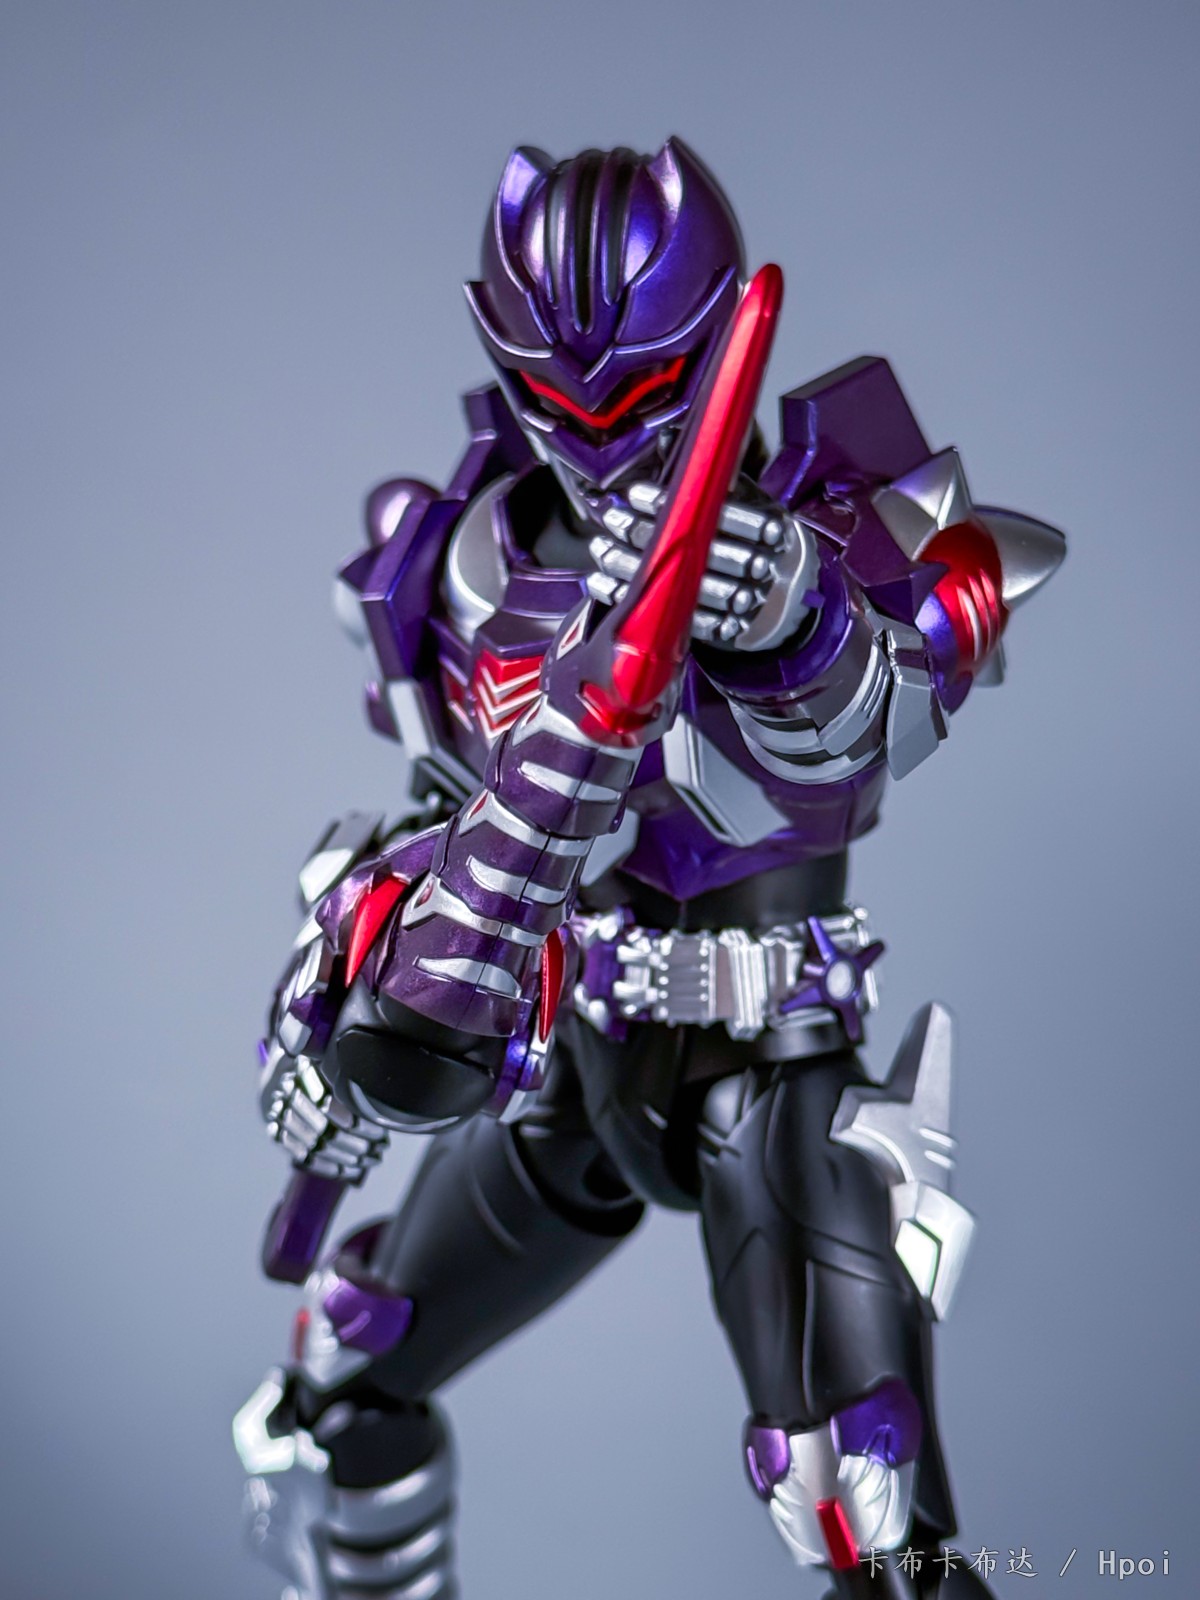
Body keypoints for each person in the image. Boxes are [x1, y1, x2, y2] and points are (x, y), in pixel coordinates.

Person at [234, 139, 1064, 1600]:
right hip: (565, 1071)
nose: (604, 438)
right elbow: (436, 825)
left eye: (645, 396)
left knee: (869, 1520)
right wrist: (323, 1012)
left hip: (770, 1077)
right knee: (342, 1387)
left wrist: (798, 616)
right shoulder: (463, 557)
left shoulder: (816, 533)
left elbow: (868, 728)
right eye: (563, 400)